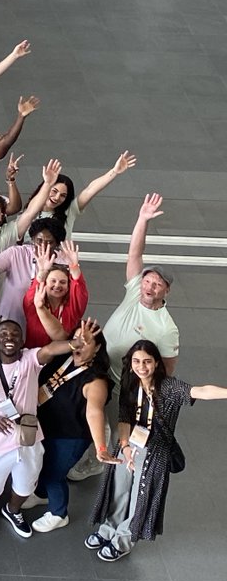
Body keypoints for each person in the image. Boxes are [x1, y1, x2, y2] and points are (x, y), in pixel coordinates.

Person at [70, 193, 179, 483]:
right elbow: (135, 255)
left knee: (112, 423)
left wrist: (149, 394)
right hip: (99, 366)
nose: (149, 286)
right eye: (148, 279)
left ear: (166, 291)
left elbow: (167, 368)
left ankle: (96, 461)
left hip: (124, 384)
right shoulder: (134, 291)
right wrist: (142, 219)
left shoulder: (167, 328)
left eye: (157, 284)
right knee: (86, 411)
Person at [88, 340, 227, 561]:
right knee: (119, 487)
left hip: (155, 449)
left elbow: (201, 391)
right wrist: (124, 447)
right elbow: (124, 417)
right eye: (136, 361)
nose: (141, 367)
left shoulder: (169, 387)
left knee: (139, 495)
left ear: (156, 363)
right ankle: (109, 528)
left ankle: (124, 538)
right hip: (130, 443)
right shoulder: (130, 383)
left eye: (147, 361)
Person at [0, 320, 92, 541]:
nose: (9, 338)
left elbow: (50, 349)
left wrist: (76, 343)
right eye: (3, 334)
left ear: (22, 341)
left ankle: (12, 511)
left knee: (24, 486)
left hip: (29, 437)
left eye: (15, 334)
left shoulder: (29, 359)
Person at [29, 319, 113, 533]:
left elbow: (94, 412)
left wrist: (101, 448)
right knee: (42, 464)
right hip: (47, 426)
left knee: (53, 473)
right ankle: (41, 494)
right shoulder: (63, 356)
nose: (80, 345)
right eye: (77, 339)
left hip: (70, 436)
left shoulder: (96, 381)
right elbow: (47, 351)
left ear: (98, 348)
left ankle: (59, 513)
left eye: (87, 342)